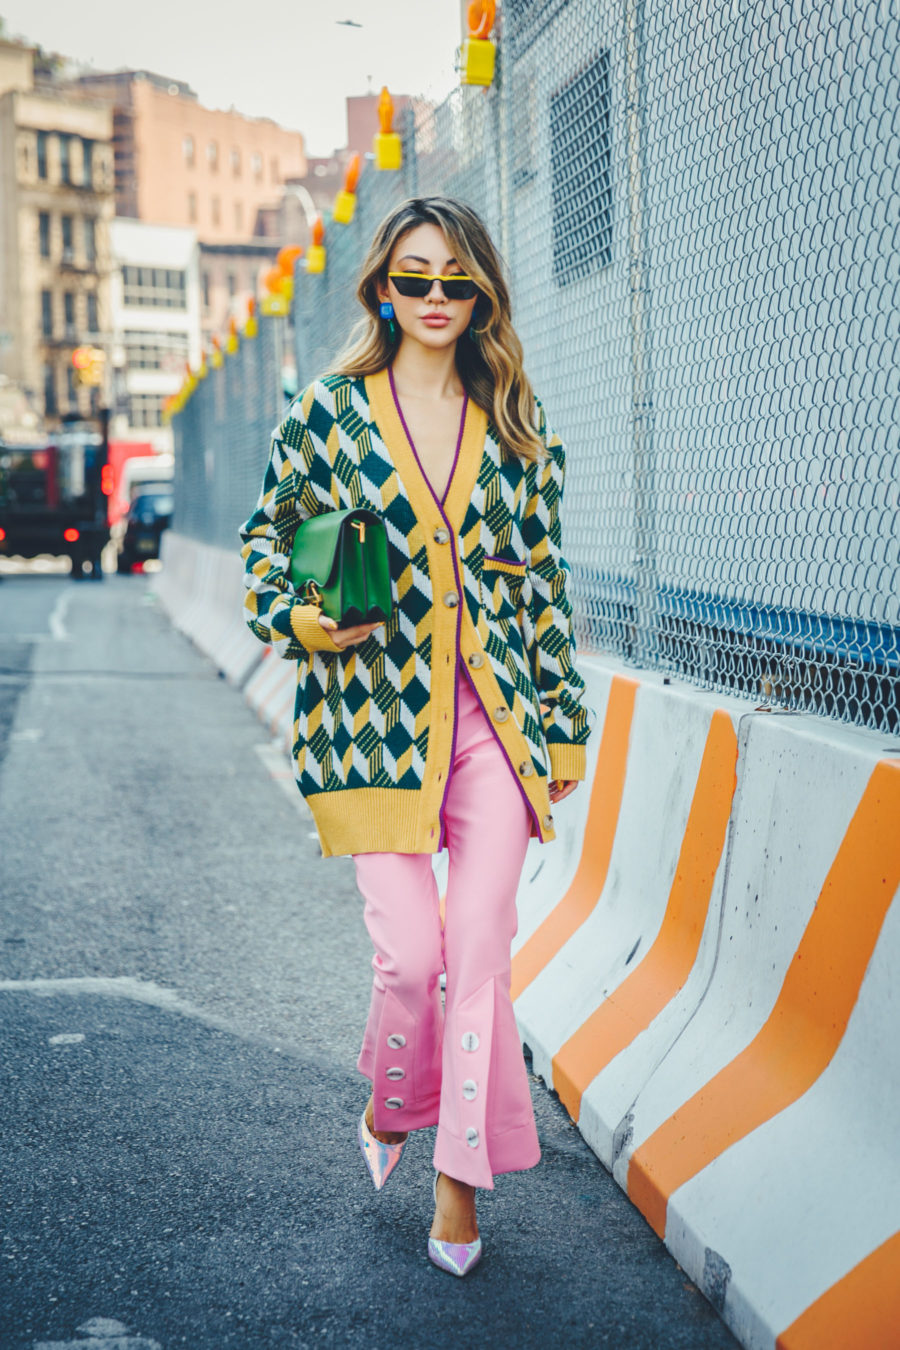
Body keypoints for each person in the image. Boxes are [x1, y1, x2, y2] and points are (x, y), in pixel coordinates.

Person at [239, 195, 591, 1277]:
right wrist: (300, 617)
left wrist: (562, 732)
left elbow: (543, 592)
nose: (435, 298)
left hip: (494, 721)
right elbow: (267, 544)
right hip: (372, 724)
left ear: (483, 292)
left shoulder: (518, 426)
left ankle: (459, 1183)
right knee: (413, 958)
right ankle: (396, 1098)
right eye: (413, 278)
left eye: (456, 280)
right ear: (381, 291)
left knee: (480, 949)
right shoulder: (329, 415)